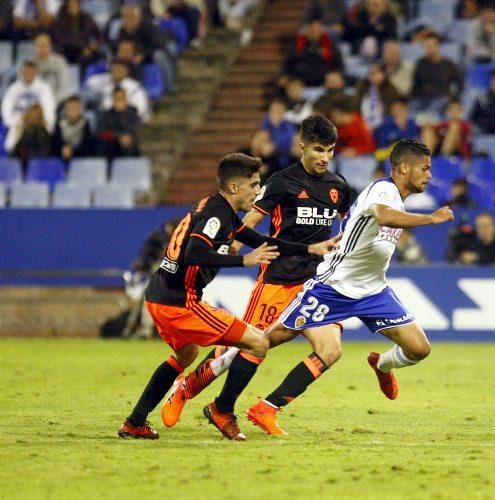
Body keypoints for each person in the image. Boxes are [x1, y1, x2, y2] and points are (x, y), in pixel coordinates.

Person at [173, 139, 454, 437]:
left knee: (419, 348)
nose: (429, 174)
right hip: (332, 287)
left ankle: (380, 365)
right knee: (264, 339)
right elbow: (382, 215)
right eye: (425, 168)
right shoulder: (382, 190)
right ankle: (197, 389)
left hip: (373, 291)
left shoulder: (374, 194)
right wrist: (430, 218)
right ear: (404, 168)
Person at [117, 153, 341, 440]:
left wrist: (310, 249)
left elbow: (262, 241)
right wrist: (244, 262)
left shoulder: (219, 209)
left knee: (186, 355)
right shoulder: (216, 214)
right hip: (181, 303)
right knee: (257, 342)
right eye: (254, 184)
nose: (258, 191)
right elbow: (194, 253)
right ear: (235, 188)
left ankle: (135, 422)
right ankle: (223, 409)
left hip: (159, 297)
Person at [158, 116, 353, 437]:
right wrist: (226, 254)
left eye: (330, 151)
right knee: (241, 347)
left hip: (314, 286)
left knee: (330, 350)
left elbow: (351, 226)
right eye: (318, 150)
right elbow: (245, 225)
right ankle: (186, 388)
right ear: (302, 146)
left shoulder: (337, 186)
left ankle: (267, 408)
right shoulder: (281, 182)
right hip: (276, 282)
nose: (324, 158)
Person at [2, 61, 56, 154]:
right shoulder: (14, 88)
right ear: (22, 73)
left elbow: (49, 108)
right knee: (9, 146)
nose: (28, 74)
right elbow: (6, 107)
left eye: (31, 72)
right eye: (26, 71)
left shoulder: (44, 88)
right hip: (18, 122)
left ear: (35, 73)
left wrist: (46, 123)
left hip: (38, 123)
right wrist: (11, 122)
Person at [51, 0, 104, 67]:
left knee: (92, 56)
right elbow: (61, 39)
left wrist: (95, 45)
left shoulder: (87, 19)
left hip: (85, 51)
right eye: (71, 5)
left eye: (75, 4)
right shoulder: (60, 21)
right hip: (68, 51)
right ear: (67, 7)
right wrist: (82, 48)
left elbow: (100, 35)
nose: (74, 7)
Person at [52, 95, 96, 160]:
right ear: (65, 109)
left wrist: (73, 151)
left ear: (80, 109)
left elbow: (88, 146)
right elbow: (54, 144)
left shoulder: (85, 124)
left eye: (75, 108)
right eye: (69, 108)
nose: (72, 111)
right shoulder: (59, 124)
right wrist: (62, 149)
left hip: (80, 160)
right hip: (61, 158)